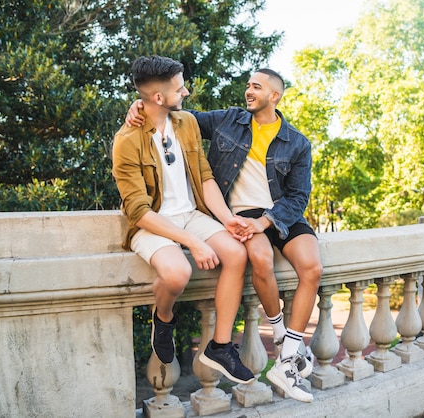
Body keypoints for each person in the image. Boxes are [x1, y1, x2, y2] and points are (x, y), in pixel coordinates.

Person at [126, 69, 322, 403]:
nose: (249, 91)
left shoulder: (297, 142)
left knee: (312, 268)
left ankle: (288, 352)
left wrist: (268, 221)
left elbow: (298, 197)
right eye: (248, 85)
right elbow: (176, 114)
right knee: (258, 258)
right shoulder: (228, 120)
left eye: (256, 87)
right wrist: (140, 104)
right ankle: (281, 338)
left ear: (275, 96)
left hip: (281, 215)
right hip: (240, 213)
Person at [113, 55, 254, 385]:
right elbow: (137, 211)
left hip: (191, 214)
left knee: (236, 253)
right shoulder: (127, 141)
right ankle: (163, 320)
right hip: (152, 221)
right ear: (159, 97)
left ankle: (220, 347)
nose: (186, 92)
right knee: (178, 273)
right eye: (180, 88)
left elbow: (204, 176)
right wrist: (193, 243)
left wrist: (227, 218)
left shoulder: (186, 123)